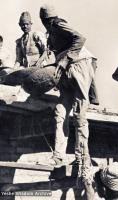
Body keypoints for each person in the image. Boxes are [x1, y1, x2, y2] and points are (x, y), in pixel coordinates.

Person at [39, 4, 95, 175]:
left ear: (46, 20)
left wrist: (65, 60)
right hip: (66, 70)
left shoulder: (58, 24)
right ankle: (58, 155)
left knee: (79, 115)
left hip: (78, 66)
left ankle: (81, 157)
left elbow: (80, 38)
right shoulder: (51, 32)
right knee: (60, 112)